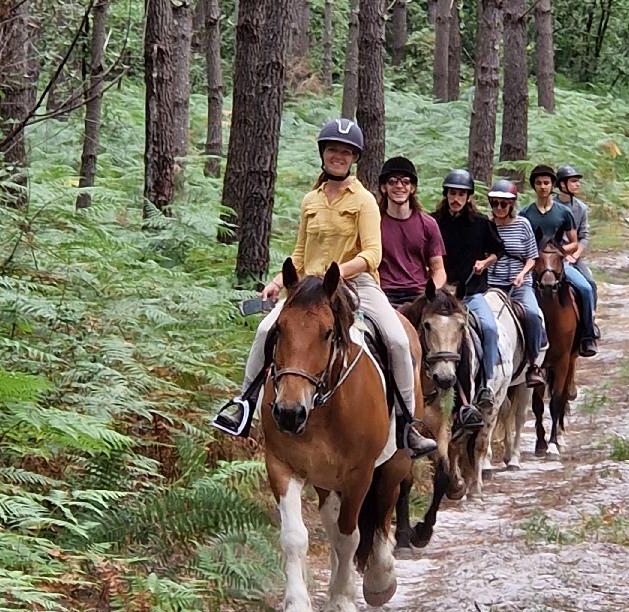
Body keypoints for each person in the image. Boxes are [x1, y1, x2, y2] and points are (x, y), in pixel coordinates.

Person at [212, 118, 437, 457]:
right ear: (323, 153)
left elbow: (373, 253)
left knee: (396, 340)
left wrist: (337, 272)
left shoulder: (364, 201)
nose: (338, 156)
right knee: (264, 330)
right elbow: (301, 253)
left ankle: (408, 423)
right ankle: (243, 405)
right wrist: (277, 281)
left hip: (356, 283)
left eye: (345, 152)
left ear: (354, 158)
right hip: (310, 286)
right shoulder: (310, 201)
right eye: (333, 150)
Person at [432, 168, 504, 411]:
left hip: (471, 293)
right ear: (446, 195)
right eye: (453, 193)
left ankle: (486, 383)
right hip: (440, 295)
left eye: (462, 194)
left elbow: (497, 250)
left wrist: (485, 262)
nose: (457, 199)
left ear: (469, 197)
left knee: (490, 328)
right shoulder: (433, 222)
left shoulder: (482, 223)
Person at [520, 164, 598, 357]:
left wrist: (559, 253)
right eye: (538, 183)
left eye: (546, 183)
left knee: (586, 288)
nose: (543, 187)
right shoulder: (525, 214)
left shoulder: (564, 213)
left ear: (552, 185)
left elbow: (574, 241)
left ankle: (587, 334)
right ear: (534, 186)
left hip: (558, 262)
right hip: (533, 265)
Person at [485, 179, 545, 388]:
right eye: (495, 203)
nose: (499, 208)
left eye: (504, 204)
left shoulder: (523, 225)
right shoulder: (486, 225)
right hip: (491, 284)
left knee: (532, 314)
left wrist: (522, 274)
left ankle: (534, 363)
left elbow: (532, 257)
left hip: (519, 284)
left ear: (512, 205)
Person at [377, 156, 447, 306]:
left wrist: (430, 293)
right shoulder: (374, 222)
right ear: (384, 187)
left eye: (406, 182)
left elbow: (439, 269)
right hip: (384, 294)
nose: (399, 186)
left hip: (418, 295)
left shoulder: (428, 224)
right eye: (393, 181)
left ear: (412, 188)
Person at [554, 164, 597, 302]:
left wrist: (575, 255)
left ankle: (589, 322)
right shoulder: (550, 206)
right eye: (573, 181)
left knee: (589, 286)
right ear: (562, 184)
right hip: (550, 257)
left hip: (573, 256)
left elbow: (584, 236)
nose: (577, 184)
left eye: (577, 181)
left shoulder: (581, 208)